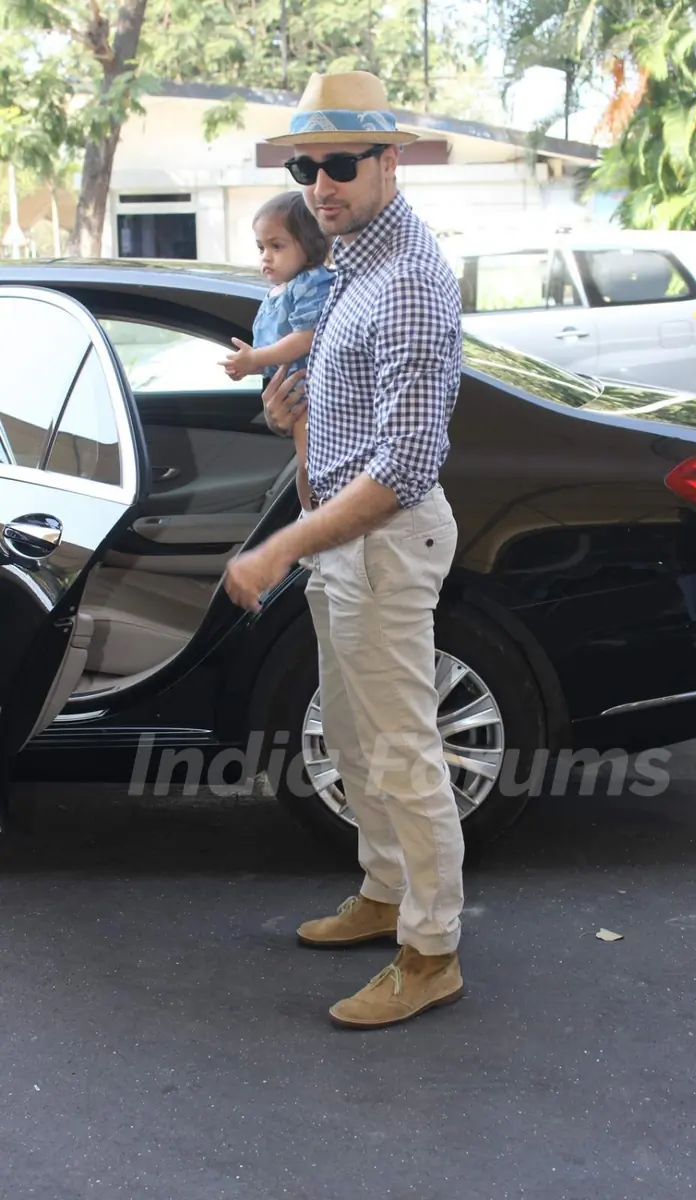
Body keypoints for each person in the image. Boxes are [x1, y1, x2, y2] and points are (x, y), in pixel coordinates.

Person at [223, 70, 465, 1030]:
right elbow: (342, 425)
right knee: (357, 742)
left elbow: (402, 467)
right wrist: (294, 424)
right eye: (306, 167)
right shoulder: (352, 265)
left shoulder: (407, 280)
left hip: (385, 543)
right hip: (346, 544)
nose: (321, 183)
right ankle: (384, 893)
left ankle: (432, 951)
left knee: (403, 751)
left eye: (341, 163)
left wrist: (276, 549)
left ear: (388, 161)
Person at [220, 191, 333, 386]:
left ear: (310, 245)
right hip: (281, 391)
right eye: (261, 248)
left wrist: (255, 358)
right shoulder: (276, 291)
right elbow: (275, 356)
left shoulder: (310, 283)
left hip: (308, 393)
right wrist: (248, 365)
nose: (265, 256)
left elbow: (305, 339)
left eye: (276, 246)